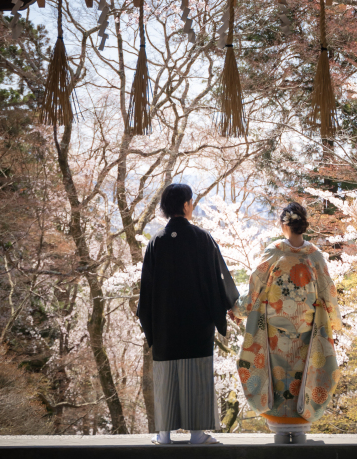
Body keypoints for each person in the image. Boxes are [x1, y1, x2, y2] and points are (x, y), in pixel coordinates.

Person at [137, 181, 239, 445]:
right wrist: (230, 306)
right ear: (185, 204)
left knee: (166, 375)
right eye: (191, 202)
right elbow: (218, 279)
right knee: (197, 373)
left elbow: (146, 290)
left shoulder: (156, 242)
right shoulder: (202, 238)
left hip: (165, 325)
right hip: (197, 322)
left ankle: (164, 435)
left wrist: (150, 322)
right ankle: (197, 434)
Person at [235, 201, 342, 444]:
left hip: (274, 334)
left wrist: (239, 309)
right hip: (307, 332)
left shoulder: (274, 252)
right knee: (304, 376)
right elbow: (328, 291)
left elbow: (255, 286)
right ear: (303, 224)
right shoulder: (314, 255)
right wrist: (334, 320)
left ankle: (279, 430)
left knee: (277, 377)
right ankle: (300, 427)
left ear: (284, 225)